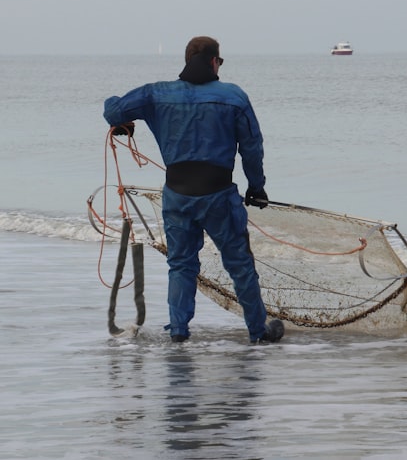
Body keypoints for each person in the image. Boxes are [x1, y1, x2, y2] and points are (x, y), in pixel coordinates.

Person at [103, 36, 284, 344]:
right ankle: (258, 332)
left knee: (181, 265)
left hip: (177, 194)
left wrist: (122, 118)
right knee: (239, 264)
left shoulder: (155, 94)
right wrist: (257, 187)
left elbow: (114, 110)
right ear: (214, 61)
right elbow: (252, 146)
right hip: (219, 195)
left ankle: (178, 331)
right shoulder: (233, 96)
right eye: (220, 62)